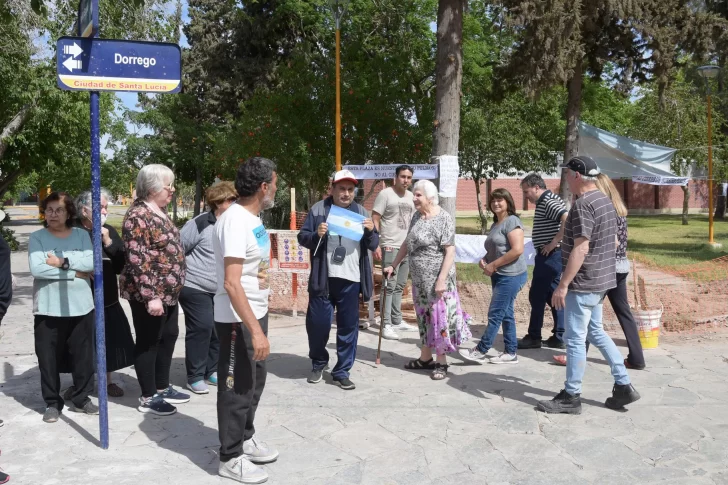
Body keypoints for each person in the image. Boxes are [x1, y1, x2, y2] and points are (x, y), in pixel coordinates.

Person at [537, 156, 641, 415]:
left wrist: (563, 285)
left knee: (574, 339)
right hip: (601, 282)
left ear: (575, 175)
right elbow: (614, 244)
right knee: (596, 331)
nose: (565, 179)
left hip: (584, 284)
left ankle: (571, 396)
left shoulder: (583, 204)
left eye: (566, 174)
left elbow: (581, 248)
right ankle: (624, 385)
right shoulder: (606, 201)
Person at [212, 157, 279, 483]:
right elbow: (232, 282)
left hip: (255, 312)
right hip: (238, 320)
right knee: (236, 386)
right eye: (275, 183)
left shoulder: (252, 219)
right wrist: (255, 331)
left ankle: (245, 437)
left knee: (255, 381)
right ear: (264, 187)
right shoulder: (235, 222)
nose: (276, 189)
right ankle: (230, 456)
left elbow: (256, 270)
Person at [298, 169, 379, 390]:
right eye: (341, 189)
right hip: (324, 279)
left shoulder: (362, 212)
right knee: (318, 325)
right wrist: (316, 234)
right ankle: (318, 363)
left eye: (350, 189)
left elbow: (373, 244)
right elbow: (302, 237)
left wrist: (371, 231)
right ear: (332, 189)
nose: (345, 193)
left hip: (351, 280)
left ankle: (342, 371)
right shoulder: (318, 210)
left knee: (348, 328)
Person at [120, 164, 189, 416]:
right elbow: (137, 259)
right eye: (168, 185)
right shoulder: (138, 215)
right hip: (149, 293)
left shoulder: (158, 211)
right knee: (149, 341)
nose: (172, 190)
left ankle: (162, 385)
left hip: (169, 293)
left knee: (169, 335)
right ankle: (148, 396)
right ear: (152, 188)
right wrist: (151, 297)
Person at [384, 180, 471, 380]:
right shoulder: (417, 216)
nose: (414, 198)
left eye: (418, 195)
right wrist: (394, 264)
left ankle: (441, 362)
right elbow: (407, 242)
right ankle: (425, 358)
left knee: (439, 320)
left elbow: (450, 251)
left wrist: (441, 280)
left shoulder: (443, 218)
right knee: (423, 318)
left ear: (430, 198)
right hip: (419, 281)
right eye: (414, 194)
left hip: (437, 282)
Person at [29, 192, 97, 423]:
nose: (53, 214)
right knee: (48, 358)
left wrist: (61, 262)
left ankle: (81, 397)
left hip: (81, 307)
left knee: (83, 357)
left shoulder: (81, 235)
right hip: (48, 308)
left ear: (69, 213)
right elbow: (37, 270)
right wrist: (75, 272)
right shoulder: (37, 237)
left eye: (59, 210)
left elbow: (92, 263)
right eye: (49, 210)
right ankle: (52, 403)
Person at [72, 189, 135, 398]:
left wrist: (108, 241)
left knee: (107, 341)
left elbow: (120, 265)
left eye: (107, 206)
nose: (105, 210)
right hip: (79, 298)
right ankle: (81, 383)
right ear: (84, 210)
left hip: (106, 298)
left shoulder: (108, 231)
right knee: (80, 343)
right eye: (101, 206)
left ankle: (107, 381)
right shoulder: (73, 231)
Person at [179, 181, 238, 395]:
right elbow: (179, 248)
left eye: (234, 199)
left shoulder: (235, 224)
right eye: (229, 200)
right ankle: (194, 376)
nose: (233, 203)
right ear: (217, 202)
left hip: (221, 289)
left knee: (218, 330)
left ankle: (211, 370)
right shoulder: (199, 223)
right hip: (195, 286)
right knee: (202, 327)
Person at [459, 188, 527, 365]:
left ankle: (481, 350)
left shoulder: (513, 221)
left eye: (500, 200)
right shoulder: (496, 224)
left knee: (495, 313)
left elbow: (517, 250)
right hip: (499, 275)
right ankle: (511, 353)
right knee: (506, 314)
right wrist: (486, 259)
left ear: (508, 202)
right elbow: (495, 248)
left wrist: (494, 265)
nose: (496, 203)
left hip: (511, 275)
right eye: (493, 200)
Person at [594, 174, 645, 369]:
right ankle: (637, 358)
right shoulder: (619, 210)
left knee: (587, 312)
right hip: (621, 266)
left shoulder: (604, 211)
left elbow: (610, 242)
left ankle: (575, 356)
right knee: (624, 313)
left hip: (606, 267)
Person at [517, 173, 568, 350]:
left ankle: (534, 336)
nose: (526, 195)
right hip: (551, 256)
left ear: (537, 187)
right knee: (552, 295)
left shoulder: (548, 201)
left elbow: (566, 219)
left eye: (527, 191)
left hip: (550, 256)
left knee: (537, 295)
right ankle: (560, 335)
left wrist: (554, 242)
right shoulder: (546, 200)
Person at [372, 164, 417, 339]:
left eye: (408, 178)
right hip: (390, 245)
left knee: (399, 285)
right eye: (403, 177)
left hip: (407, 246)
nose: (405, 180)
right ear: (396, 177)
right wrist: (376, 243)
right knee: (388, 286)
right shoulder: (385, 194)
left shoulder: (412, 197)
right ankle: (386, 324)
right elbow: (375, 218)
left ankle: (397, 320)